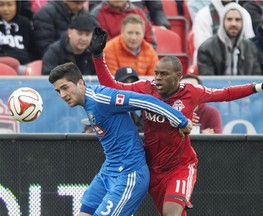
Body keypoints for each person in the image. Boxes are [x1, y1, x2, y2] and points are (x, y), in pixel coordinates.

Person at [90, 27, 263, 216]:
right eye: (157, 73)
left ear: (178, 76)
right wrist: (98, 56)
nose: (157, 78)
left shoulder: (192, 92)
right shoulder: (146, 88)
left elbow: (226, 93)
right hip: (153, 167)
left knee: (171, 212)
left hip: (180, 166)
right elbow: (112, 87)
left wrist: (262, 86)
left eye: (164, 74)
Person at [48, 62, 192, 216]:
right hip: (109, 171)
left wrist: (181, 121)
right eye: (58, 91)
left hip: (129, 173)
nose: (62, 95)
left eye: (65, 88)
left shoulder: (102, 98)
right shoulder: (88, 102)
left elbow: (146, 101)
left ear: (80, 83)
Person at [197, 2, 262, 76]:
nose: (233, 24)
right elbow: (208, 81)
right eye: (229, 19)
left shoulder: (251, 48)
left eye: (237, 20)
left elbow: (256, 78)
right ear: (222, 21)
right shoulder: (206, 49)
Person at [89, 0, 156, 48]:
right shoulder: (97, 13)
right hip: (108, 58)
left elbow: (151, 41)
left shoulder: (138, 12)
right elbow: (94, 43)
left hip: (138, 60)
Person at [0, 0, 34, 71]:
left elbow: (32, 49)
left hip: (23, 64)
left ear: (17, 6)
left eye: (9, 5)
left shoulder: (25, 23)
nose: (5, 9)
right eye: (1, 5)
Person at [115, 66, 144, 133]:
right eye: (125, 82)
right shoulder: (110, 106)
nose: (129, 85)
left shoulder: (144, 107)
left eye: (133, 82)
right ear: (116, 84)